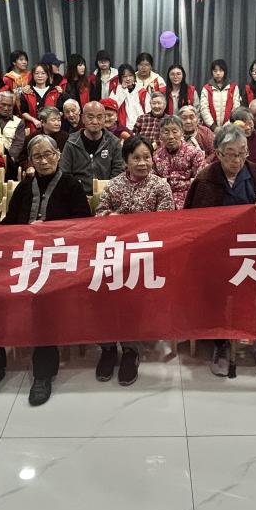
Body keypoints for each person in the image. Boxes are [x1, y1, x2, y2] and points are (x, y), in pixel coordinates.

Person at [0, 135, 91, 407]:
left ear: (58, 154)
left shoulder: (71, 186)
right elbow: (10, 222)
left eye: (48, 154)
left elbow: (84, 227)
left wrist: (49, 233)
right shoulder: (24, 187)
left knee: (43, 302)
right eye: (37, 156)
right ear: (30, 161)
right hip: (21, 256)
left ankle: (43, 373)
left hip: (56, 260)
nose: (44, 160)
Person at [185, 124, 256, 382]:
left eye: (242, 153)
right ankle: (219, 343)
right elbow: (193, 224)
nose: (237, 160)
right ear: (218, 153)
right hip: (219, 255)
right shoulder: (205, 179)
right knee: (213, 288)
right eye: (230, 154)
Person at [93, 136, 175, 385]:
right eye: (136, 158)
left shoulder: (160, 186)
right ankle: (108, 347)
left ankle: (131, 349)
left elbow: (166, 224)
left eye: (146, 157)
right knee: (101, 288)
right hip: (116, 252)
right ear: (125, 161)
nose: (142, 163)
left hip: (146, 254)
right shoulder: (114, 185)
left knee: (131, 293)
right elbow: (99, 214)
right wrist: (110, 217)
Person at [58, 100, 124, 194]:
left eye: (99, 117)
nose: (95, 121)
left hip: (106, 194)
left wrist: (106, 193)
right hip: (77, 194)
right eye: (90, 117)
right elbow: (64, 172)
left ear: (104, 118)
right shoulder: (72, 142)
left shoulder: (114, 142)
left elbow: (118, 172)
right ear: (83, 118)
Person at [153, 115, 205, 209]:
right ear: (160, 135)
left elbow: (201, 180)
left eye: (175, 132)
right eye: (166, 132)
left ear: (182, 132)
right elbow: (153, 181)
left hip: (189, 198)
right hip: (163, 198)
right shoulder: (156, 156)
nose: (171, 136)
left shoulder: (194, 153)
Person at [18, 63, 63, 134]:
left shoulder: (55, 91)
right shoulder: (27, 92)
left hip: (52, 130)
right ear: (33, 75)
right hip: (33, 128)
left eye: (43, 73)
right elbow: (23, 112)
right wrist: (34, 120)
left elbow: (60, 110)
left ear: (47, 75)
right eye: (37, 73)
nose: (40, 76)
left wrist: (51, 121)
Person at [20, 107, 68, 173]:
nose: (57, 123)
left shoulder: (66, 137)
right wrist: (29, 167)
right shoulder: (32, 138)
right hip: (38, 172)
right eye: (53, 120)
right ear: (42, 122)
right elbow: (22, 158)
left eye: (59, 120)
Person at [199, 59, 241, 128]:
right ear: (212, 72)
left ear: (225, 71)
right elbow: (204, 109)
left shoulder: (233, 88)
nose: (218, 73)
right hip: (210, 128)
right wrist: (213, 126)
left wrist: (228, 125)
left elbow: (236, 108)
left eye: (221, 70)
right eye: (215, 71)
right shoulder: (206, 88)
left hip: (229, 127)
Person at [112, 64, 147, 130]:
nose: (128, 79)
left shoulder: (142, 91)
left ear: (134, 76)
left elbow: (148, 111)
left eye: (130, 75)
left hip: (140, 127)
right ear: (120, 78)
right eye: (124, 76)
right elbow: (113, 107)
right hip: (122, 129)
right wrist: (123, 91)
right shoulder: (115, 91)